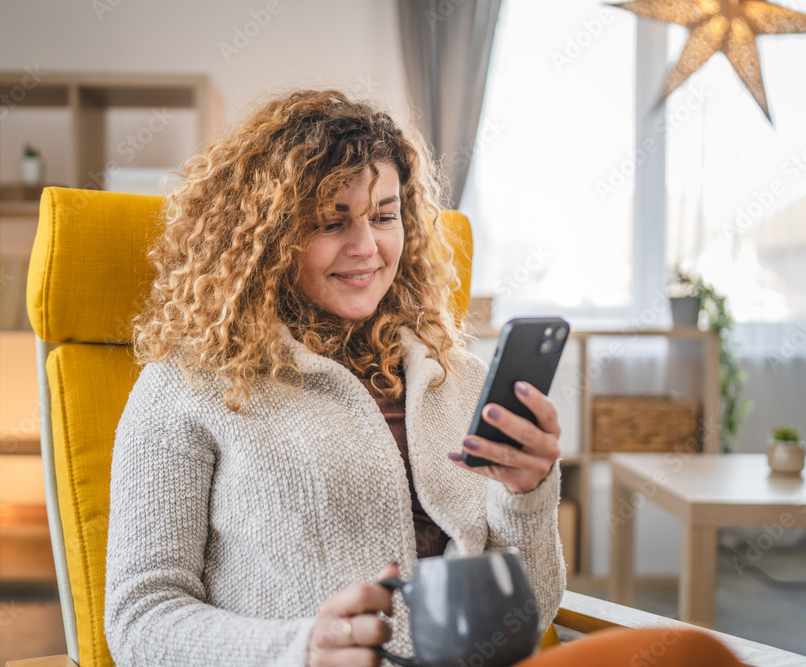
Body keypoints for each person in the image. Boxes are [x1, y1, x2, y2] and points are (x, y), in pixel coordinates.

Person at [104, 88, 743, 667]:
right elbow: (139, 620)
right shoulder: (186, 388)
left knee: (693, 653)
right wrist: (301, 650)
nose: (367, 247)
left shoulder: (454, 380)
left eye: (384, 216)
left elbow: (534, 610)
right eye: (332, 221)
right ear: (264, 240)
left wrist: (526, 495)